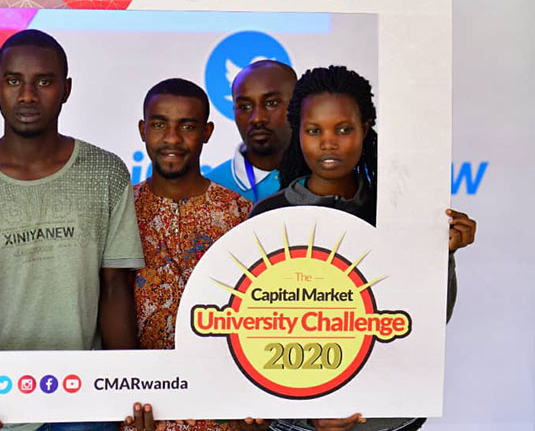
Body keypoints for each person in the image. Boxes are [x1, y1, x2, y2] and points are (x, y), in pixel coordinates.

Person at [0, 29, 143, 431]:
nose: (27, 95)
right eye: (14, 81)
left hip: (86, 403)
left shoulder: (106, 172)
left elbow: (115, 288)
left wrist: (127, 392)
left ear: (66, 90)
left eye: (43, 82)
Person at [249, 66, 476, 431]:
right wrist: (306, 414)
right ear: (298, 132)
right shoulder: (269, 216)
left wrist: (443, 253)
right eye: (314, 130)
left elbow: (427, 320)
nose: (328, 143)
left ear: (366, 128)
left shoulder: (399, 214)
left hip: (385, 418)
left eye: (343, 129)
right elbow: (255, 331)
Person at [122, 78, 268, 431]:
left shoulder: (240, 214)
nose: (172, 139)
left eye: (187, 126)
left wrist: (253, 403)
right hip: (141, 408)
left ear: (207, 132)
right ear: (143, 130)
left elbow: (259, 312)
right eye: (160, 124)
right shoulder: (120, 210)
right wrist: (124, 388)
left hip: (224, 410)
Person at [205, 61, 296, 203]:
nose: (257, 118)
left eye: (271, 103)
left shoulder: (324, 178)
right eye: (245, 106)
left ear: (297, 105)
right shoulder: (209, 190)